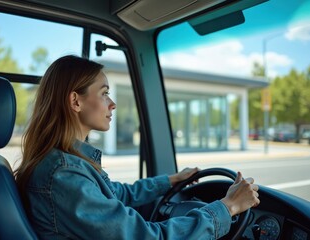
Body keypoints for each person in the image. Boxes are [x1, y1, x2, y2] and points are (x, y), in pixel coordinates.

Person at [15, 55, 260, 239]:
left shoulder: (67, 162)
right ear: (75, 101)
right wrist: (228, 207)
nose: (112, 104)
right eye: (104, 94)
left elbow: (116, 194)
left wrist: (170, 180)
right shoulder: (64, 174)